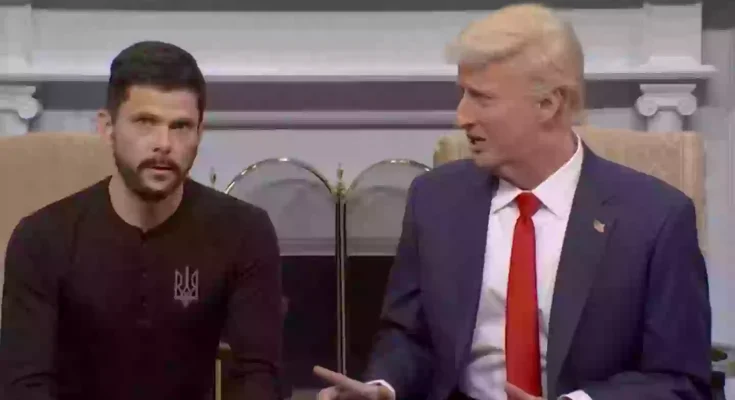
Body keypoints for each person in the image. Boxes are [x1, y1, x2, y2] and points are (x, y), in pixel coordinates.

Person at [314, 4, 711, 400]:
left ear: (549, 104)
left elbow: (679, 381)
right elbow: (408, 336)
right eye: (463, 94)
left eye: (482, 98)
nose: (462, 117)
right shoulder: (434, 199)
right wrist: (383, 388)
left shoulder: (654, 219)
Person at [0, 41, 284, 400]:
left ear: (199, 133)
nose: (164, 144)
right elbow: (24, 384)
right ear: (107, 127)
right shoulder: (41, 238)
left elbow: (259, 373)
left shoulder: (244, 232)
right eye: (145, 123)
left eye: (181, 126)